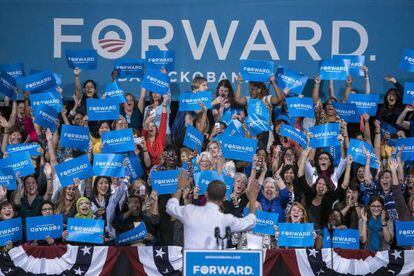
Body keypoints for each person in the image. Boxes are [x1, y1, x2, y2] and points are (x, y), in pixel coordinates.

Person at [166, 172, 259, 249]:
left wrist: (179, 189)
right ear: (224, 198)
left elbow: (170, 207)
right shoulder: (226, 220)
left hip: (192, 266)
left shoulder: (190, 212)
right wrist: (252, 199)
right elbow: (251, 221)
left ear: (206, 194)